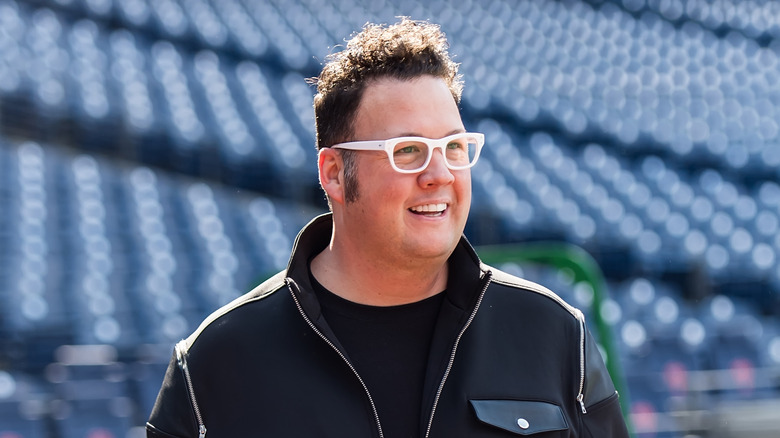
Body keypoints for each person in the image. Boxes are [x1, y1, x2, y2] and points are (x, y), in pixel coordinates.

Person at [147, 18, 629, 438]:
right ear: (334, 173)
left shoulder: (555, 334)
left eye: (453, 147)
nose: (439, 174)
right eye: (407, 151)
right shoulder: (213, 364)